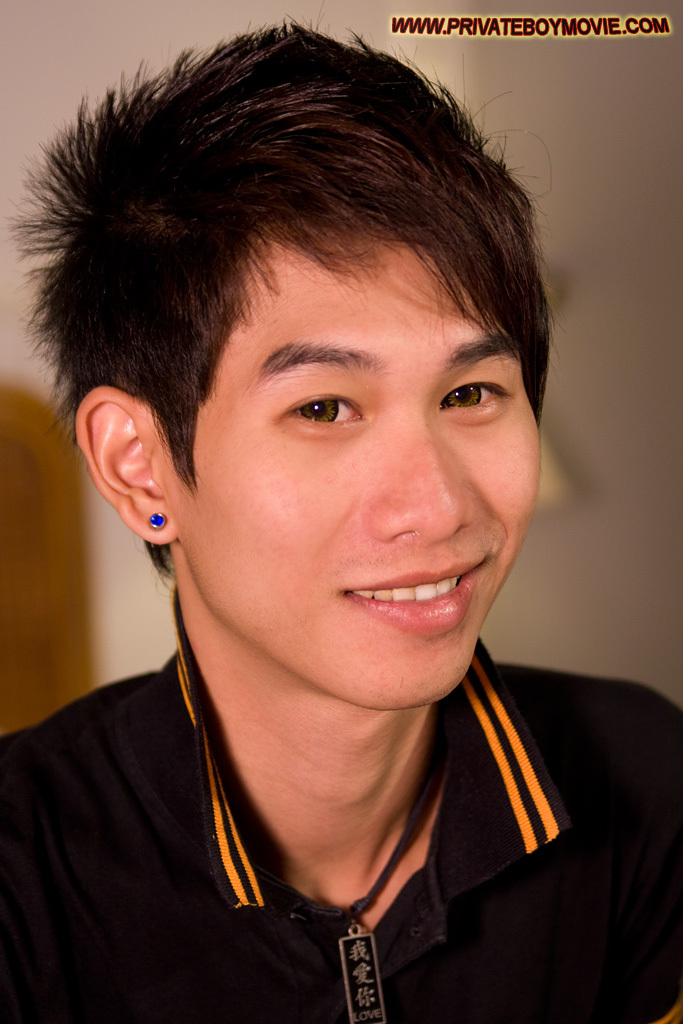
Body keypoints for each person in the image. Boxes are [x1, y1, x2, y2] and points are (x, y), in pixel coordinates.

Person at [3, 23, 681, 1024]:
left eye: (470, 394)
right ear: (137, 462)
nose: (437, 505)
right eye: (323, 408)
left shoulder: (644, 779)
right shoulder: (23, 878)